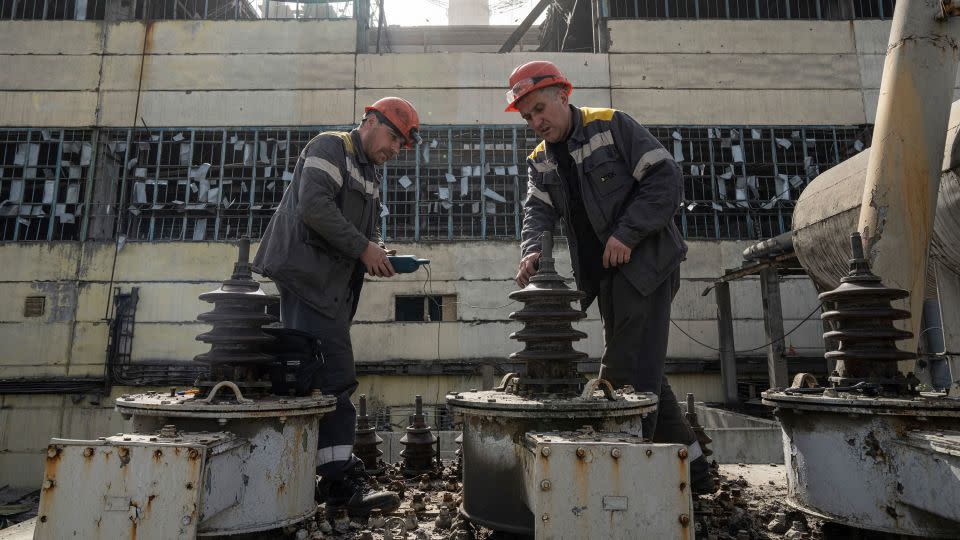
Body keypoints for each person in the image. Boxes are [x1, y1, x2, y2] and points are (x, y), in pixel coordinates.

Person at [506, 61, 714, 492]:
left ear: (564, 95)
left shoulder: (612, 126)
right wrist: (530, 251)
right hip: (604, 277)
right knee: (646, 370)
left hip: (645, 264)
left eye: (541, 109)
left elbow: (665, 179)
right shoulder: (541, 160)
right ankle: (693, 471)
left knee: (623, 373)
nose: (536, 121)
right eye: (528, 117)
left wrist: (627, 233)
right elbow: (538, 211)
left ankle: (625, 479)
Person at [252, 97, 422, 516]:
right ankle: (340, 484)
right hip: (306, 276)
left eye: (402, 146)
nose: (395, 150)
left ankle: (314, 475)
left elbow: (352, 229)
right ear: (370, 121)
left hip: (329, 285)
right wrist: (364, 248)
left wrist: (376, 251)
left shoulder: (368, 172)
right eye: (394, 138)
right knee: (335, 372)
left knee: (310, 374)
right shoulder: (331, 148)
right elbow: (314, 208)